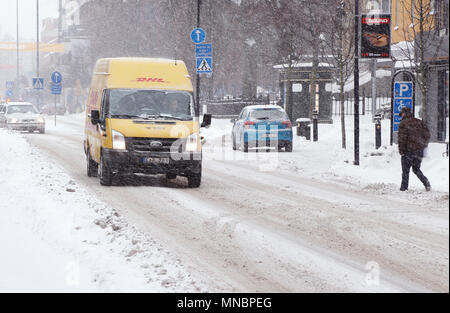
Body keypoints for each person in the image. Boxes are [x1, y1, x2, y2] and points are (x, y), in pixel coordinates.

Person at [398, 106, 431, 192]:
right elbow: (427, 135)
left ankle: (404, 188)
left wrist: (402, 151)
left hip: (408, 151)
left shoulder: (403, 124)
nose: (401, 116)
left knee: (405, 171)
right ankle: (426, 182)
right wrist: (423, 145)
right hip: (419, 151)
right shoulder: (419, 122)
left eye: (401, 114)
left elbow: (402, 139)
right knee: (416, 169)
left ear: (404, 113)